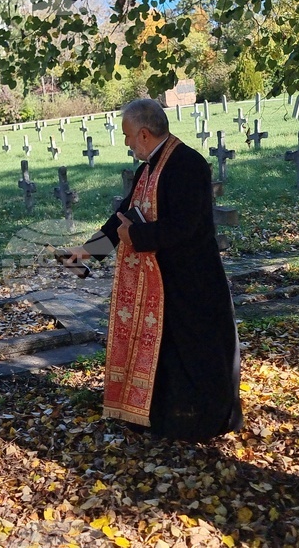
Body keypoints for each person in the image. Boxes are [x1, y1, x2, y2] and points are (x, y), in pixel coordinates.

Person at [62, 98, 243, 442]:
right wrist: (85, 252)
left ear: (144, 134)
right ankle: (162, 418)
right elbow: (123, 217)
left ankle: (203, 422)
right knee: (165, 355)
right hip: (157, 282)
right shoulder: (146, 169)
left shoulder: (188, 164)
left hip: (192, 281)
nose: (127, 143)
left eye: (129, 136)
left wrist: (136, 236)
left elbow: (185, 226)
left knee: (196, 353)